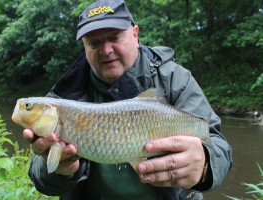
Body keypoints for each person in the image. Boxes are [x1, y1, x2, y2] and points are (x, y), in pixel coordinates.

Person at [23, 0, 232, 199]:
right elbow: (40, 178)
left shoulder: (174, 79)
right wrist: (62, 171)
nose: (106, 50)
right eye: (94, 43)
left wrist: (204, 164)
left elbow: (218, 145)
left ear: (135, 34)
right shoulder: (65, 96)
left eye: (114, 37)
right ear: (84, 47)